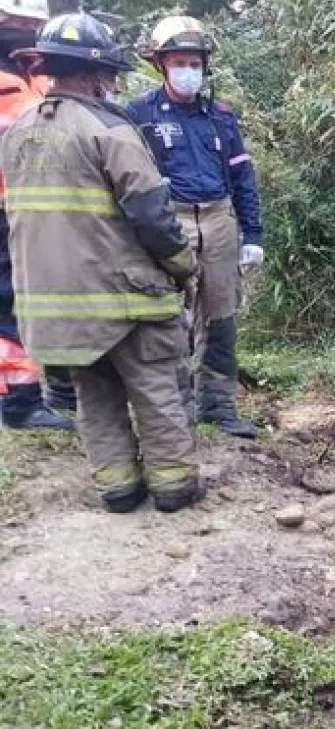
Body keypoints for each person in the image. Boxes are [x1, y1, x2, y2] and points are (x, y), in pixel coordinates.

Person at [1, 12, 203, 512]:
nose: (113, 85)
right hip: (123, 298)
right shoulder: (109, 129)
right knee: (156, 390)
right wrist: (182, 264)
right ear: (95, 75)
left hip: (55, 308)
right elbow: (151, 213)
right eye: (110, 75)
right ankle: (174, 487)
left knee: (95, 398)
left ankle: (119, 489)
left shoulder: (18, 132)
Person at [128, 15, 262, 438]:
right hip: (171, 222)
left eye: (196, 63)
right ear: (162, 64)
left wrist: (253, 236)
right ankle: (174, 409)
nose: (189, 71)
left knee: (221, 317)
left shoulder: (221, 116)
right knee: (170, 319)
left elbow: (243, 178)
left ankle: (218, 406)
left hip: (220, 220)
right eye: (180, 61)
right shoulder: (139, 115)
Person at [0, 0, 74, 431]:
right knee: (11, 302)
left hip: (38, 207)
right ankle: (20, 402)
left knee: (37, 299)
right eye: (19, 22)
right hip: (7, 210)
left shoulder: (33, 76)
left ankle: (45, 391)